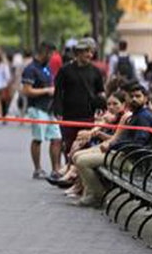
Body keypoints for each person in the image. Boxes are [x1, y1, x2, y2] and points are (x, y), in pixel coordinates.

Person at [74, 82, 152, 207]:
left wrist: (112, 146)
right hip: (123, 154)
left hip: (132, 162)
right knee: (78, 156)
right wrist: (111, 143)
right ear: (126, 98)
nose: (134, 99)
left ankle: (98, 195)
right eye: (131, 96)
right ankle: (91, 193)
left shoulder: (143, 117)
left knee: (82, 161)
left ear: (146, 98)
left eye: (138, 96)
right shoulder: (135, 115)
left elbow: (138, 144)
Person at [52, 37, 105, 177]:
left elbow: (100, 92)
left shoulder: (95, 71)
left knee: (84, 146)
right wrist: (57, 110)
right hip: (69, 114)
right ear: (78, 53)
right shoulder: (65, 70)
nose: (89, 55)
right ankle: (69, 171)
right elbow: (58, 91)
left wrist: (101, 107)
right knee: (69, 145)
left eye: (91, 51)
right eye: (86, 51)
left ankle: (78, 176)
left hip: (88, 114)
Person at [21, 41, 62, 180]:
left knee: (56, 138)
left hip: (50, 109)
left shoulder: (47, 68)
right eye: (51, 53)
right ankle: (37, 169)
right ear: (44, 52)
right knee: (38, 139)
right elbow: (26, 90)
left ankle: (56, 169)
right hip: (37, 108)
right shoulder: (30, 69)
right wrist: (46, 91)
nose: (52, 57)